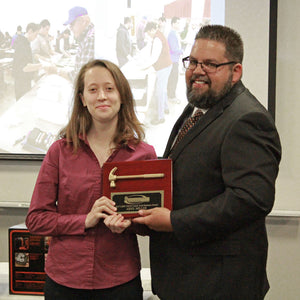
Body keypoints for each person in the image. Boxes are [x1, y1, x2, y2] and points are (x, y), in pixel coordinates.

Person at [133, 25, 281, 299]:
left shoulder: (247, 119)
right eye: (193, 62)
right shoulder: (198, 106)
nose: (197, 71)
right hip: (188, 277)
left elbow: (251, 199)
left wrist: (174, 221)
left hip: (219, 284)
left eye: (210, 64)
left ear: (235, 71)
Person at [26, 59, 157, 300]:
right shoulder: (59, 151)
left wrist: (130, 223)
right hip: (65, 282)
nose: (102, 96)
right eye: (93, 90)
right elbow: (36, 219)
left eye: (109, 88)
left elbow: (152, 223)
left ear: (122, 95)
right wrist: (84, 220)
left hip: (120, 282)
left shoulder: (144, 154)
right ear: (83, 99)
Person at [12, 23, 54, 100]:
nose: (36, 37)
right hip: (21, 81)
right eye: (36, 34)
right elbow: (24, 67)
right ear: (30, 31)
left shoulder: (26, 43)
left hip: (25, 79)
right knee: (22, 104)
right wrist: (42, 65)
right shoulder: (22, 44)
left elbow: (27, 63)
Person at [143, 21, 172, 125]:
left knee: (159, 91)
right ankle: (165, 108)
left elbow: (154, 58)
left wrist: (143, 66)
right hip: (167, 65)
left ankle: (160, 117)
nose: (148, 35)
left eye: (148, 33)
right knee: (163, 89)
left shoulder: (157, 39)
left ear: (151, 30)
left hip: (163, 66)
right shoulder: (159, 34)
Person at [61, 6, 95, 82]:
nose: (71, 28)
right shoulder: (85, 36)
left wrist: (57, 72)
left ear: (83, 21)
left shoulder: (90, 39)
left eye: (72, 24)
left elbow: (82, 77)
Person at [167, 17, 183, 104]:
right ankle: (171, 96)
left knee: (173, 78)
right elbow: (174, 49)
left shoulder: (174, 33)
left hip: (174, 60)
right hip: (173, 60)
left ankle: (171, 95)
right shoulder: (172, 34)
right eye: (178, 23)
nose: (179, 25)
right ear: (173, 24)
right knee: (173, 79)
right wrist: (182, 51)